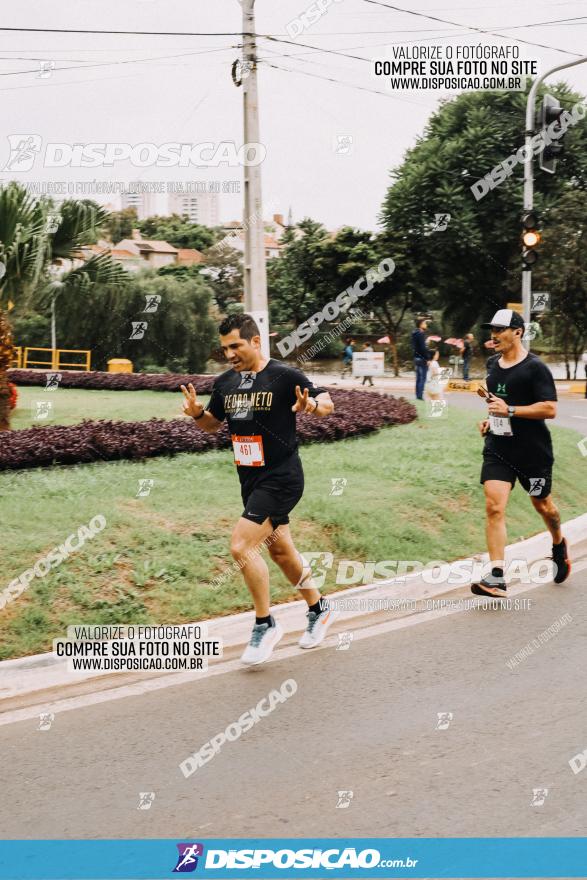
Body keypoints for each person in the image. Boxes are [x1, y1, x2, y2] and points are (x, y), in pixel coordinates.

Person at [181, 313, 339, 665]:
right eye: (224, 348)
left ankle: (265, 623)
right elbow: (212, 425)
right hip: (250, 480)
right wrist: (196, 413)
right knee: (281, 553)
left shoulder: (284, 376)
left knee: (241, 546)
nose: (230, 354)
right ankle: (319, 609)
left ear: (256, 341)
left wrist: (309, 405)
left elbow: (327, 404)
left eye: (236, 345)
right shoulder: (226, 384)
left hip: (282, 478)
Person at [471, 308, 571, 598]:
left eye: (500, 330)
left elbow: (550, 409)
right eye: (492, 330)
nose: (494, 335)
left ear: (518, 332)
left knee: (544, 507)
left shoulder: (535, 368)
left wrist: (510, 410)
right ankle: (497, 577)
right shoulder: (492, 364)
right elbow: (497, 403)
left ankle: (558, 543)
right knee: (494, 506)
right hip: (499, 448)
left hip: (533, 453)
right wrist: (491, 420)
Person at [411, 318, 431, 400]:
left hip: (416, 358)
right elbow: (423, 348)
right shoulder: (421, 333)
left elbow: (416, 347)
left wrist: (425, 343)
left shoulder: (414, 333)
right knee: (423, 378)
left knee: (418, 378)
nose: (426, 325)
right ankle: (420, 396)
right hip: (422, 359)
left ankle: (417, 395)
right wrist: (428, 358)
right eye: (425, 323)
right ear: (421, 324)